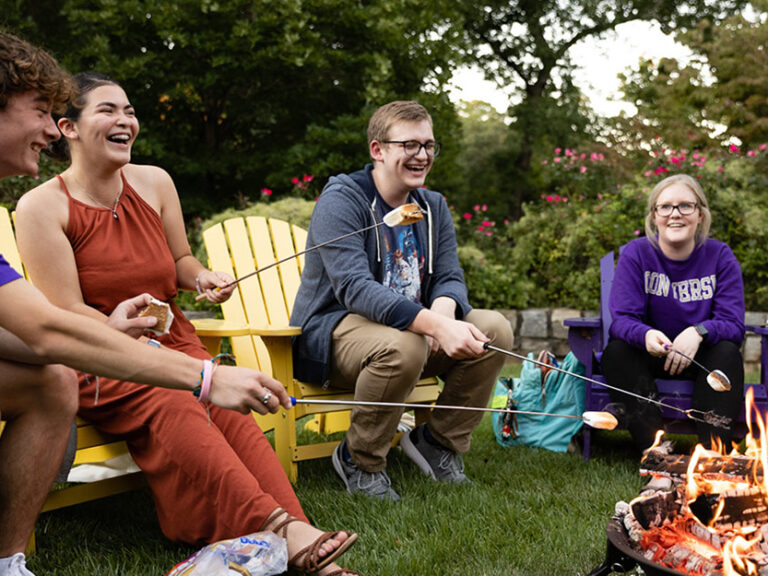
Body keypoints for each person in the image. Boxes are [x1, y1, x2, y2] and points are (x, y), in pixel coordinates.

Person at [14, 70, 358, 576]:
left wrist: (202, 280)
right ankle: (287, 536)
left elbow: (180, 259)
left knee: (229, 412)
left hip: (178, 344)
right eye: (108, 110)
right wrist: (114, 326)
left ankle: (288, 538)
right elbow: (64, 315)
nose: (125, 120)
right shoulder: (42, 207)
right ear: (67, 127)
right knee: (175, 397)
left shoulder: (155, 183)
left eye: (130, 111)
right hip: (104, 357)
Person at [290, 100, 514, 501]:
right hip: (334, 335)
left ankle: (438, 442)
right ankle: (360, 460)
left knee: (494, 328)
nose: (423, 155)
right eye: (409, 145)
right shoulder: (342, 201)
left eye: (429, 145)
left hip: (413, 334)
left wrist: (443, 311)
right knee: (404, 343)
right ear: (378, 150)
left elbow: (448, 275)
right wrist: (431, 324)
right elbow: (355, 288)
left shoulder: (433, 206)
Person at [601, 173, 745, 453]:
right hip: (654, 354)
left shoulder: (720, 256)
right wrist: (647, 335)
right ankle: (655, 448)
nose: (674, 214)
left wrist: (699, 332)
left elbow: (733, 324)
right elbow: (622, 321)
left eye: (685, 206)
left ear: (700, 214)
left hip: (702, 357)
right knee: (617, 352)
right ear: (654, 216)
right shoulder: (637, 254)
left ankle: (713, 453)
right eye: (665, 207)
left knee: (727, 353)